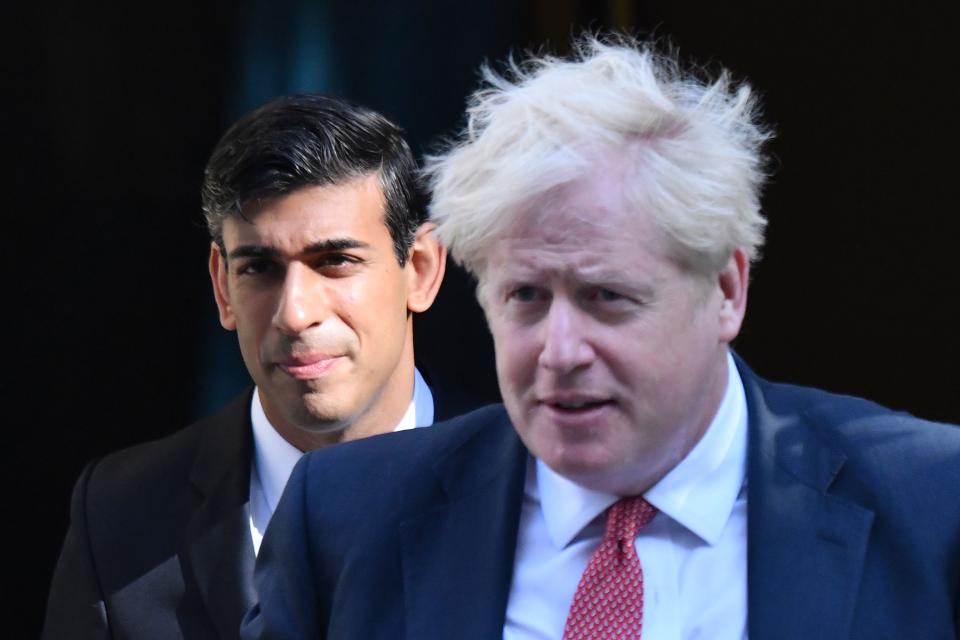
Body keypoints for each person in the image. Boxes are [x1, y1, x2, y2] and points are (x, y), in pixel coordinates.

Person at [242, 37, 960, 639]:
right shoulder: (344, 520)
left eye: (607, 298)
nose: (559, 351)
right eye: (525, 296)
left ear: (727, 290)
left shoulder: (933, 507)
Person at [42, 93, 473, 639]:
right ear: (222, 286)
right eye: (260, 268)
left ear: (419, 268)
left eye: (335, 261)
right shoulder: (119, 515)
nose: (295, 314)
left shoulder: (534, 486)